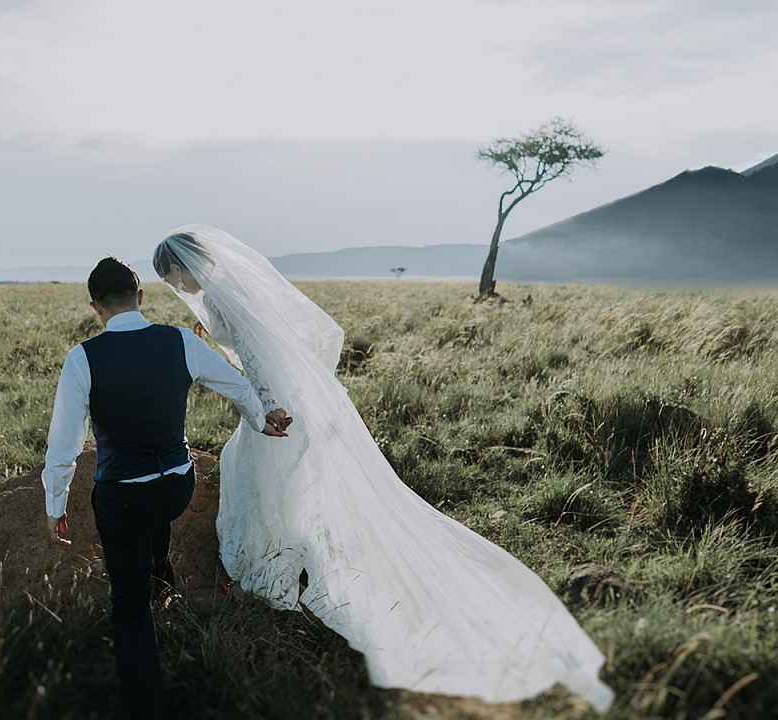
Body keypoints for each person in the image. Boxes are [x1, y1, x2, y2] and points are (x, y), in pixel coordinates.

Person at [152, 225, 615, 711]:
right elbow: (259, 342)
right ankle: (282, 568)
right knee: (273, 481)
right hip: (283, 397)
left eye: (174, 274)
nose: (176, 285)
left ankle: (265, 581)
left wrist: (266, 410)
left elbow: (255, 355)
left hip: (274, 406)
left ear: (189, 263)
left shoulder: (222, 296)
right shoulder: (228, 288)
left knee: (258, 479)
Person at [40, 256, 290, 720]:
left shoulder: (82, 359)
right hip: (179, 485)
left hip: (125, 495)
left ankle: (147, 704)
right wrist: (264, 418)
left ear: (96, 308)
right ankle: (162, 580)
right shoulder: (178, 340)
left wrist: (55, 504)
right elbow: (237, 387)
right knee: (153, 507)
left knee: (128, 607)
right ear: (140, 298)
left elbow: (64, 448)